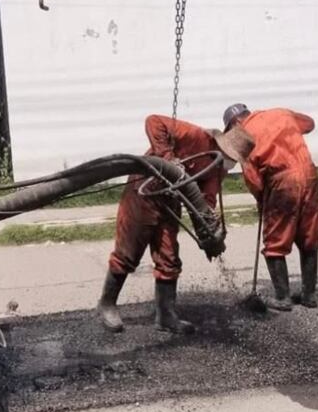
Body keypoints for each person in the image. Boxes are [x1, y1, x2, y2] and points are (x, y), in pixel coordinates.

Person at [97, 114, 249, 334]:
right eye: (232, 157)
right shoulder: (195, 135)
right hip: (144, 191)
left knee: (169, 257)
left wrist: (210, 231)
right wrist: (167, 157)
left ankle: (166, 316)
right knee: (128, 253)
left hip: (170, 202)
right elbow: (153, 121)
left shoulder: (217, 170)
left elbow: (206, 201)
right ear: (223, 147)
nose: (231, 163)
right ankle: (107, 304)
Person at [222, 103, 318, 311]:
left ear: (235, 123)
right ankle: (309, 295)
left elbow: (253, 179)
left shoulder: (243, 136)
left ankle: (283, 298)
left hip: (282, 181)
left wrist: (262, 202)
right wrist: (286, 127)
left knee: (275, 241)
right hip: (310, 174)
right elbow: (309, 124)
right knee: (309, 236)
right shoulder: (281, 113)